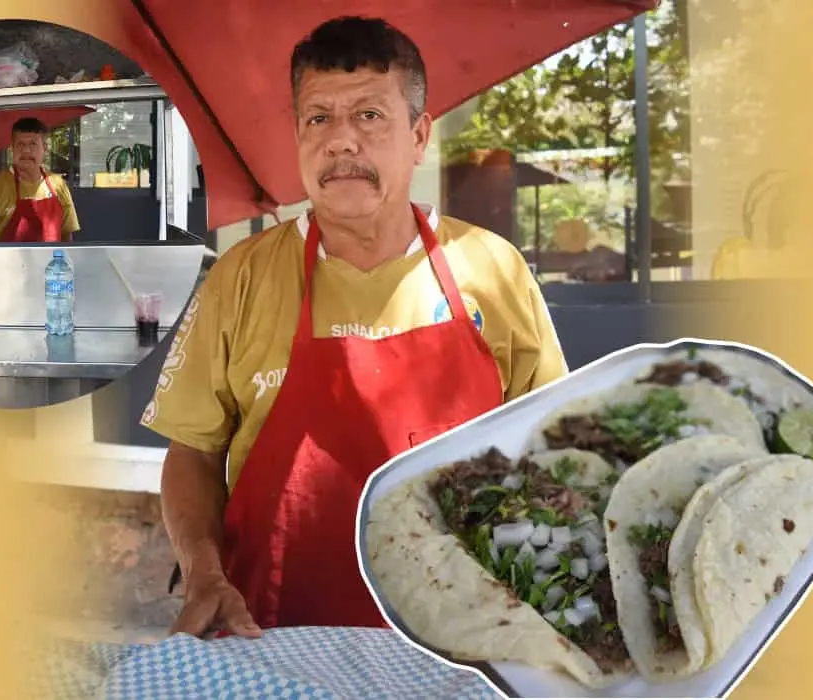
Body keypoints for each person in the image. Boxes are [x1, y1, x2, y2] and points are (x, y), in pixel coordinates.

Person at [140, 16, 569, 638]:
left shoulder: (492, 271)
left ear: (419, 135)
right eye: (318, 118)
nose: (341, 141)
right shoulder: (242, 277)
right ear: (296, 135)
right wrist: (204, 573)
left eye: (369, 115)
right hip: (272, 634)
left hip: (466, 641)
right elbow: (193, 453)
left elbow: (549, 451)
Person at [0, 117, 80, 243]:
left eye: (33, 144)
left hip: (51, 262)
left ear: (44, 148)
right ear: (12, 148)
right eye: (20, 144)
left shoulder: (59, 185)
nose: (26, 150)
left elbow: (66, 233)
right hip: (7, 262)